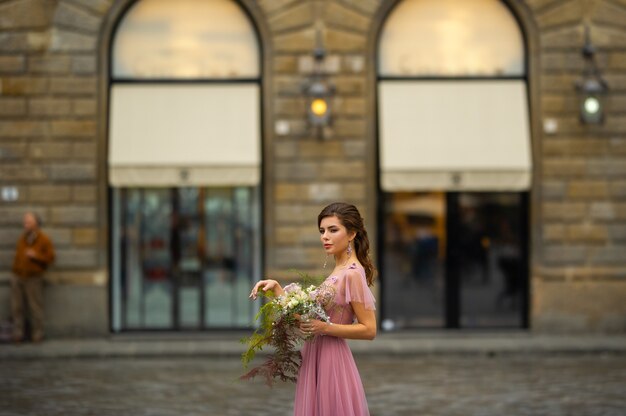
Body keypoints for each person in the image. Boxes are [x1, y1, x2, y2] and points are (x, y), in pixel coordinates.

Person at [250, 202, 376, 416]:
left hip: (332, 359)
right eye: (322, 231)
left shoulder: (353, 273)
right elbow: (309, 320)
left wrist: (323, 328)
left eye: (333, 230)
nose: (324, 236)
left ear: (352, 233)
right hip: (314, 354)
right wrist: (278, 291)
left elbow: (369, 329)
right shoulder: (339, 269)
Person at [11, 212, 55, 343]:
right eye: (25, 222)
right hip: (18, 276)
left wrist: (36, 256)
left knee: (35, 307)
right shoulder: (22, 238)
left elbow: (51, 258)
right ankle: (18, 334)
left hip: (33, 278)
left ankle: (38, 334)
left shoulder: (43, 239)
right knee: (17, 307)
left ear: (35, 224)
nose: (25, 224)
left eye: (28, 222)